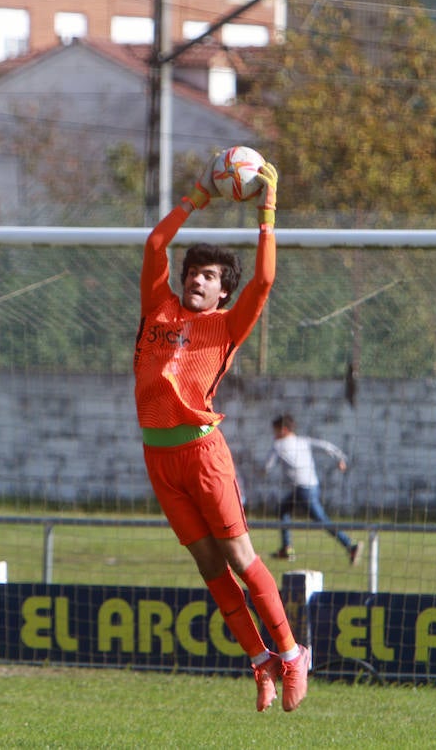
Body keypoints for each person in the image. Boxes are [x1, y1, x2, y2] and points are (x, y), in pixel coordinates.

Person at [134, 156, 310, 713]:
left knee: (239, 556)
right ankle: (261, 661)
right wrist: (196, 197)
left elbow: (266, 280)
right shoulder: (157, 309)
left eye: (209, 276)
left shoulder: (227, 326)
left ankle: (292, 653)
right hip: (159, 460)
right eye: (193, 271)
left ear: (222, 295)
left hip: (203, 455)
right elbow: (155, 243)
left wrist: (267, 209)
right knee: (209, 567)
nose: (196, 278)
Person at [265, 413, 362, 567]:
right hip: (311, 486)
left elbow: (267, 467)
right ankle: (286, 548)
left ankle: (350, 545)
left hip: (303, 491)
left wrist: (263, 469)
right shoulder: (303, 441)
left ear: (284, 430)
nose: (274, 434)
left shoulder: (278, 446)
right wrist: (341, 458)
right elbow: (325, 445)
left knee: (321, 520)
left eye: (275, 430)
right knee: (283, 510)